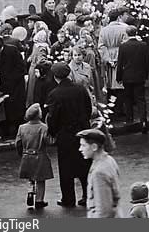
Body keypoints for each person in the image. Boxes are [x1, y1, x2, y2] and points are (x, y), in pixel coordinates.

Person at [47, 62, 92, 208]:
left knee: (66, 168)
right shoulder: (80, 89)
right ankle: (87, 195)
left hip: (65, 135)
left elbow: (53, 117)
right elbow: (88, 108)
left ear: (55, 77)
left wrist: (53, 132)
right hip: (83, 133)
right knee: (84, 165)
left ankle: (68, 198)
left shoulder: (55, 94)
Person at [16, 104, 53, 211]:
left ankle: (30, 191)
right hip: (40, 155)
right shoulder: (43, 127)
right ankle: (39, 200)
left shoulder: (22, 128)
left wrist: (21, 154)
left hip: (27, 155)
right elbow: (49, 141)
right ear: (39, 115)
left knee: (31, 178)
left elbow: (17, 143)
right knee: (41, 180)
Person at [77, 128, 120, 219]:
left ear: (94, 147)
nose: (80, 149)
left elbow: (104, 211)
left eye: (83, 145)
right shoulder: (109, 160)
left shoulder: (99, 172)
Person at [0, 37, 26, 139]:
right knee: (3, 109)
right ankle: (5, 131)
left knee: (15, 110)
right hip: (1, 86)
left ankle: (16, 132)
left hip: (15, 86)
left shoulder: (12, 51)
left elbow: (21, 69)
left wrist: (7, 80)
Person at [116, 26, 149, 132]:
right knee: (141, 99)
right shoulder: (143, 45)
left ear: (126, 34)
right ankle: (143, 121)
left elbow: (120, 63)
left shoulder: (123, 47)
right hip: (140, 76)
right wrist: (145, 75)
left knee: (128, 98)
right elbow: (147, 62)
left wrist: (119, 77)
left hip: (127, 76)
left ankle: (129, 119)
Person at [98, 7, 130, 95]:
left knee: (109, 80)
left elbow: (101, 46)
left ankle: (111, 101)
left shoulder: (103, 30)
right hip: (120, 55)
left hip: (108, 55)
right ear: (118, 18)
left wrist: (108, 59)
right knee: (120, 81)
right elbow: (126, 44)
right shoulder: (124, 29)